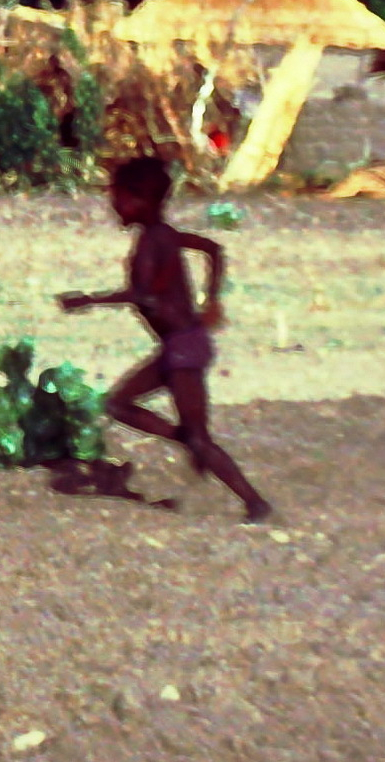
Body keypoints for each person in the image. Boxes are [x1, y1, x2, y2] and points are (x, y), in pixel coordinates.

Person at [59, 155, 270, 521]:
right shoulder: (166, 235)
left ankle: (254, 502)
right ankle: (188, 442)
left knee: (195, 435)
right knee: (118, 404)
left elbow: (143, 295)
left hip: (183, 349)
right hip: (181, 346)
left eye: (119, 196)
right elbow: (213, 250)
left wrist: (89, 300)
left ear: (140, 199)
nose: (114, 205)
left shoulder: (150, 242)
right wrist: (212, 297)